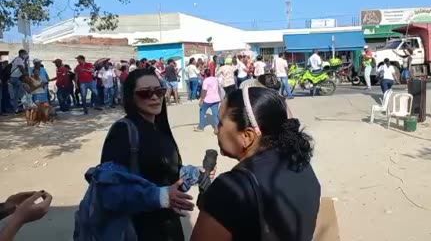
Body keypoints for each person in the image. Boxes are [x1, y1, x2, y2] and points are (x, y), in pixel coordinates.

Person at [191, 87, 320, 241]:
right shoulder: (300, 163)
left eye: (220, 123)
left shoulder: (230, 188)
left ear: (247, 136)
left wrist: (214, 204)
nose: (216, 131)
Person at [101, 69, 214, 241]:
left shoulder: (160, 128)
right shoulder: (123, 131)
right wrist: (160, 196)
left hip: (168, 228)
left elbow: (164, 174)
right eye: (145, 93)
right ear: (131, 97)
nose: (154, 97)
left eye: (159, 91)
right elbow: (109, 190)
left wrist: (192, 174)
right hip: (138, 230)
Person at [195, 69, 221, 133]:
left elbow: (204, 91)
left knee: (202, 111)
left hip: (208, 99)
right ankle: (217, 128)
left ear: (205, 74)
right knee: (215, 114)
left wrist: (201, 99)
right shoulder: (215, 79)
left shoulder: (205, 81)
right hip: (216, 98)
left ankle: (201, 127)